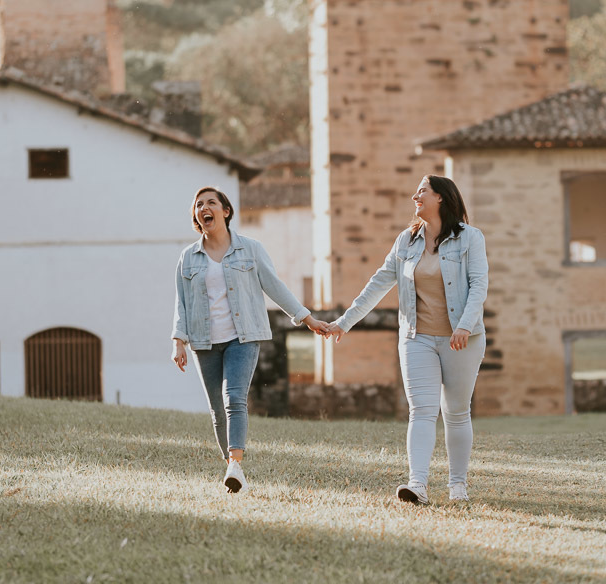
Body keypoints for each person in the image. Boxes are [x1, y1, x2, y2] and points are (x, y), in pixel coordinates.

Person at [327, 175, 488, 505]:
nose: (416, 195)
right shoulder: (406, 241)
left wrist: (464, 326)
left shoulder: (470, 238)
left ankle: (458, 485)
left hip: (462, 339)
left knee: (456, 412)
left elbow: (479, 286)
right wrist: (345, 322)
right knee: (422, 410)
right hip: (417, 337)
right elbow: (377, 284)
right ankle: (418, 485)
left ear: (441, 198)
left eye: (423, 191)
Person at [171, 186, 329, 493]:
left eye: (211, 203)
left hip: (242, 338)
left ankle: (235, 464)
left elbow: (274, 285)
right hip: (204, 341)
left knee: (234, 399)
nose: (205, 208)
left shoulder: (250, 249)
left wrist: (306, 317)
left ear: (225, 211)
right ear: (196, 216)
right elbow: (182, 303)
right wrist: (178, 341)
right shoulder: (188, 258)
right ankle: (233, 471)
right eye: (199, 205)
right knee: (217, 409)